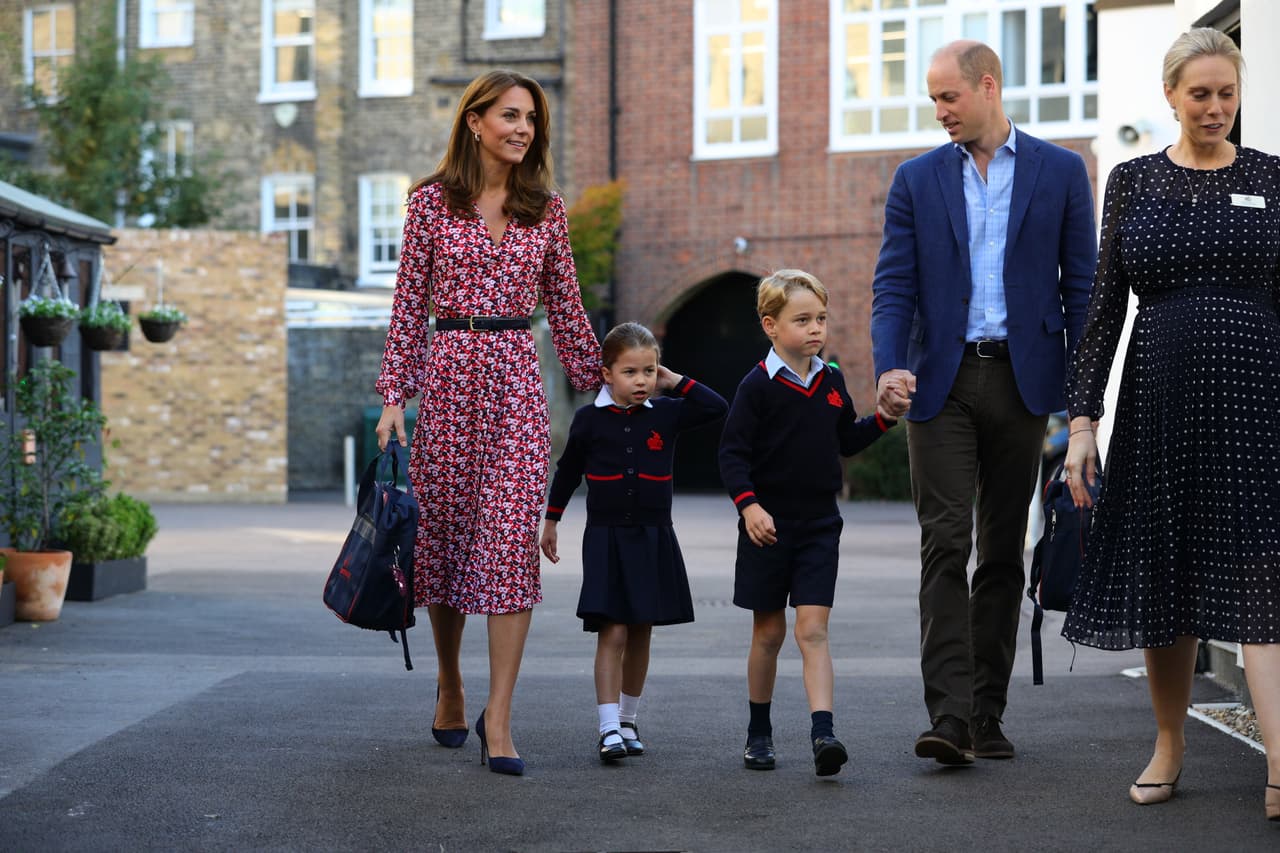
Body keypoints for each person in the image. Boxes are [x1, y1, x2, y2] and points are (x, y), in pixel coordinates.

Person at [1062, 28, 1280, 819]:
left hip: (1259, 400)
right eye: (1201, 93)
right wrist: (1082, 421)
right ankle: (1169, 741)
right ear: (1171, 96)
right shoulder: (1133, 181)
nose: (1216, 107)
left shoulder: (1272, 178)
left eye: (1227, 92)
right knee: (1169, 570)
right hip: (1160, 401)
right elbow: (1102, 312)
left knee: (1264, 568)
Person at [870, 40, 1096, 765]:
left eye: (948, 97)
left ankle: (988, 712)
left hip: (1025, 383)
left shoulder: (1062, 171)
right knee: (946, 546)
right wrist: (889, 366)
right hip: (941, 383)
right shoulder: (915, 179)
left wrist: (1082, 400)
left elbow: (1083, 288)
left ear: (988, 87)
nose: (938, 111)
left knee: (1002, 550)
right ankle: (949, 716)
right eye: (933, 99)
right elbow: (893, 284)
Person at [374, 69, 602, 777]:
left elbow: (565, 307)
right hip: (447, 379)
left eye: (531, 118)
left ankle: (498, 716)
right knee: (441, 546)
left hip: (515, 387)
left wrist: (611, 383)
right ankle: (450, 681)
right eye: (509, 115)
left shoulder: (547, 210)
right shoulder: (429, 206)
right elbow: (410, 304)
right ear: (474, 121)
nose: (523, 129)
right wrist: (393, 396)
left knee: (507, 547)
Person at [719, 269, 896, 776]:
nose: (816, 328)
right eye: (803, 320)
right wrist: (750, 507)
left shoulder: (832, 379)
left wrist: (883, 419)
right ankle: (759, 731)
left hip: (821, 525)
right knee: (769, 634)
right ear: (770, 325)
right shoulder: (756, 386)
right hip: (767, 527)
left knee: (813, 631)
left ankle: (824, 734)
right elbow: (732, 456)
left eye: (821, 317)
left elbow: (846, 441)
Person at [539, 322, 728, 763]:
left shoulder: (666, 412)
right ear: (607, 373)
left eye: (648, 371)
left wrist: (673, 380)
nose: (641, 380)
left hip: (654, 535)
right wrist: (551, 522)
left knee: (642, 628)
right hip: (606, 537)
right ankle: (607, 727)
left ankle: (628, 720)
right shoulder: (589, 419)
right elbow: (567, 472)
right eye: (630, 372)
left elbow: (715, 405)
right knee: (614, 629)